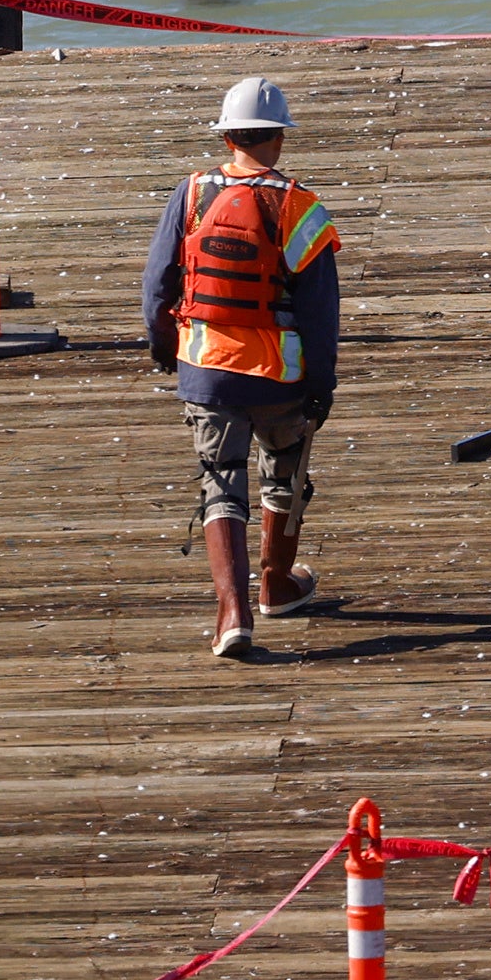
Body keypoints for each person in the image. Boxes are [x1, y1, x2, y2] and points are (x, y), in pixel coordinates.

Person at [143, 76, 340, 655]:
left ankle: (232, 613)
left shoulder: (192, 194)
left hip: (205, 369)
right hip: (279, 375)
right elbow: (320, 311)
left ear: (227, 135)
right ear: (279, 139)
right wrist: (321, 385)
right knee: (284, 472)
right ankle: (277, 584)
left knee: (219, 482)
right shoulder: (298, 206)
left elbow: (157, 285)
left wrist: (164, 348)